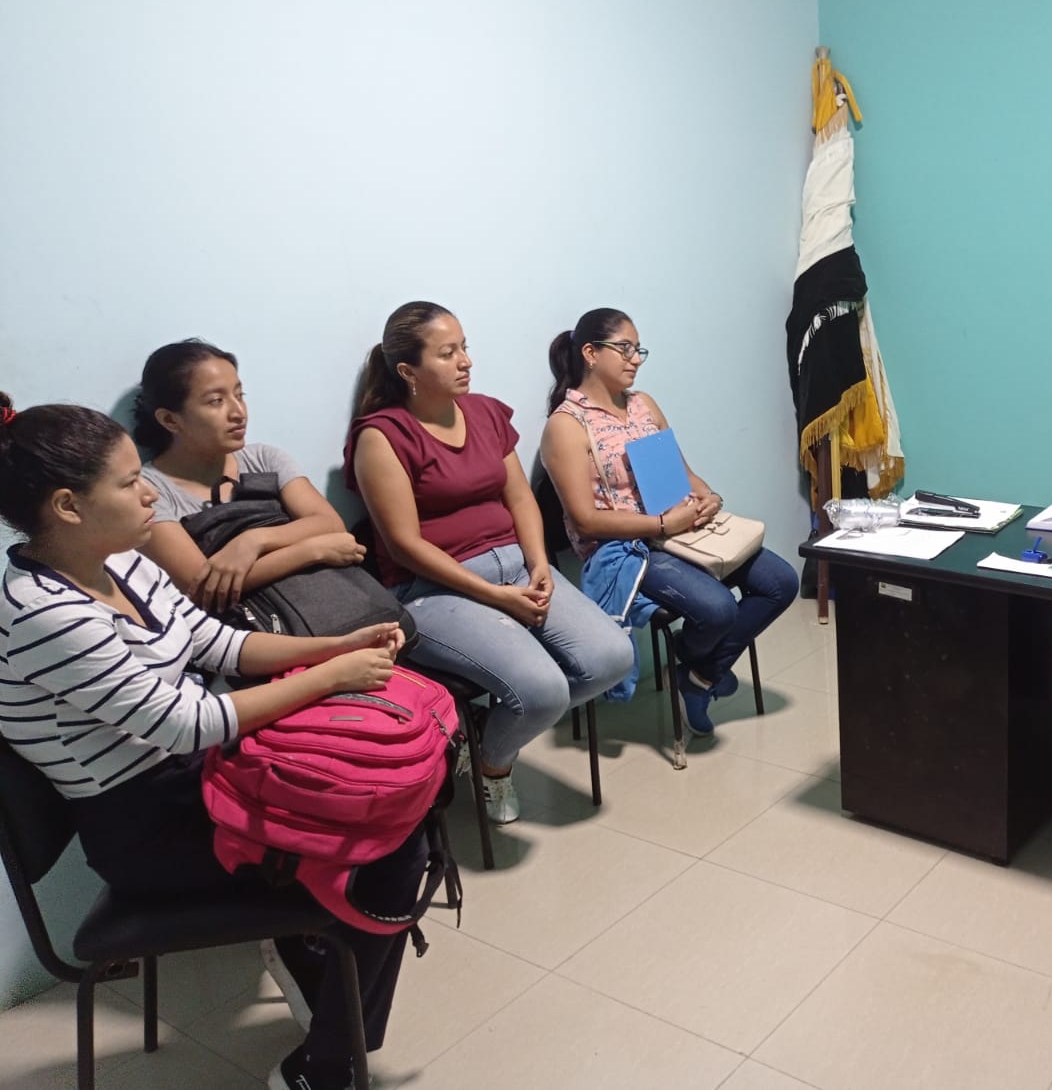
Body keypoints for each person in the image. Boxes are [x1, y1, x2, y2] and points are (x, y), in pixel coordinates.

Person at [0, 394, 423, 1090]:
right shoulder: (41, 614)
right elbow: (185, 722)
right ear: (68, 506)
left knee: (387, 796)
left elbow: (216, 642)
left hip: (199, 776)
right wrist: (331, 676)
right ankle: (327, 1062)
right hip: (146, 828)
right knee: (389, 844)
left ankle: (313, 969)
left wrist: (336, 647)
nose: (148, 494)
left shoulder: (122, 560)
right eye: (128, 483)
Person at [345, 301, 633, 825]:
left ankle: (483, 731)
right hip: (434, 589)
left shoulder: (484, 413)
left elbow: (520, 498)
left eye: (464, 347)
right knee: (542, 690)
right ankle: (491, 764)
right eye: (447, 353)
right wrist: (496, 596)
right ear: (408, 371)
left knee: (612, 657)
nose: (466, 362)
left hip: (517, 568)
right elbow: (404, 544)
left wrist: (539, 564)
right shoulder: (381, 436)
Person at [539, 308, 799, 736]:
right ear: (590, 353)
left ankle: (698, 674)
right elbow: (585, 521)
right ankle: (703, 670)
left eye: (638, 350)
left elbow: (683, 474)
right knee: (717, 609)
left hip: (681, 531)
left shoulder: (642, 404)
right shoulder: (567, 426)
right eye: (624, 348)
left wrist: (709, 497)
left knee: (781, 582)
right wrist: (662, 526)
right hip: (628, 549)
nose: (635, 359)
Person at [134, 339, 367, 611]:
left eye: (239, 395)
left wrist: (253, 541)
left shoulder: (264, 458)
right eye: (216, 401)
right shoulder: (148, 489)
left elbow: (330, 524)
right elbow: (200, 585)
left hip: (324, 602)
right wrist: (313, 550)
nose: (238, 412)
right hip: (245, 626)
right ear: (170, 420)